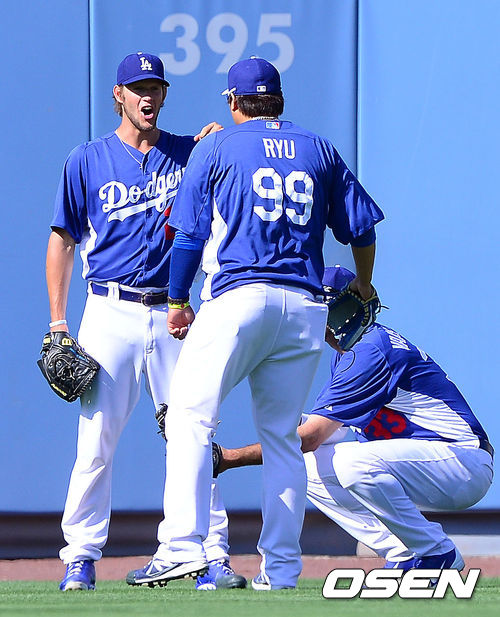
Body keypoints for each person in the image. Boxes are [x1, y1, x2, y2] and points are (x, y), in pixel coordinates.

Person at [127, 57, 384, 591]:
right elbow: (361, 229)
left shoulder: (217, 146)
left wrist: (177, 300)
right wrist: (362, 283)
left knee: (188, 417)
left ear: (233, 101)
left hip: (240, 298)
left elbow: (189, 236)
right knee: (283, 439)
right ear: (279, 99)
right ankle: (282, 570)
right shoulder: (318, 147)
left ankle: (181, 547)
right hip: (305, 308)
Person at [45, 52, 245, 592]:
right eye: (137, 88)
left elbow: (232, 168)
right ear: (119, 95)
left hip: (172, 312)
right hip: (108, 310)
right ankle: (80, 557)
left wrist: (220, 141)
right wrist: (59, 323)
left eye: (155, 86)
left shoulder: (187, 153)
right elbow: (62, 240)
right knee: (96, 440)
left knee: (192, 434)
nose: (147, 96)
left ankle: (211, 554)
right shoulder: (87, 159)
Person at [216, 266, 495, 577]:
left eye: (324, 308)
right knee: (307, 466)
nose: (318, 319)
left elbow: (311, 438)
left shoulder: (370, 351)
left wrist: (230, 458)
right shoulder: (352, 350)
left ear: (347, 308)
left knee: (351, 464)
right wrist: (279, 416)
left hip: (460, 461)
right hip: (431, 461)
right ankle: (403, 551)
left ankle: (435, 551)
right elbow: (329, 433)